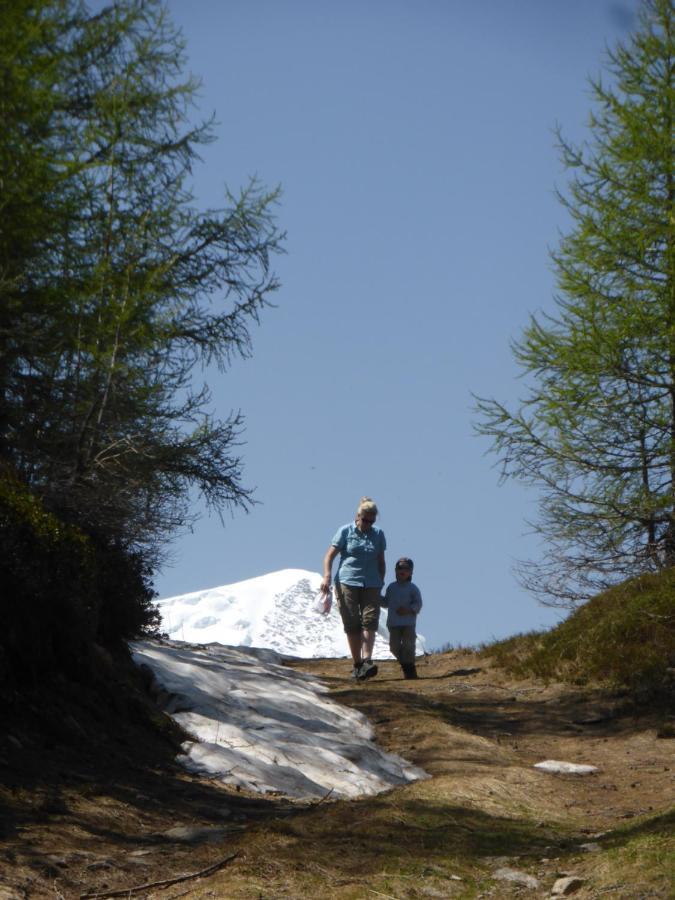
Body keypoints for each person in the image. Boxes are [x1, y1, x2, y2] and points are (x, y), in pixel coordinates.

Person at [320, 497, 386, 680]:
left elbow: (381, 561)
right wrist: (327, 576)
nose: (368, 524)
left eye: (372, 521)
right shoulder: (345, 531)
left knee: (370, 620)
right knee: (352, 622)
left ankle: (367, 660)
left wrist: (381, 581)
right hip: (347, 581)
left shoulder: (378, 534)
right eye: (365, 520)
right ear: (358, 516)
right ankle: (357, 665)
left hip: (371, 583)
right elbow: (329, 556)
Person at [382, 557, 422, 679]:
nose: (402, 571)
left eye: (406, 568)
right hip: (393, 623)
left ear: (411, 572)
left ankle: (410, 670)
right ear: (395, 570)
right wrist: (375, 597)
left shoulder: (413, 588)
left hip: (408, 623)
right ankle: (406, 665)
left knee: (408, 646)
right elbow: (386, 602)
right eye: (400, 568)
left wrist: (409, 610)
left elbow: (418, 604)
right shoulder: (391, 587)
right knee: (394, 647)